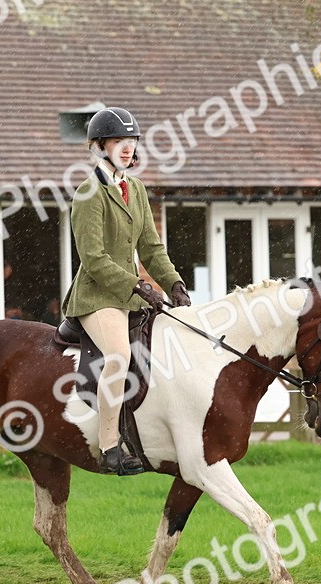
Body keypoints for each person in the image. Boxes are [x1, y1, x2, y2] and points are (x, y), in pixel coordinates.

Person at [62, 106, 192, 476]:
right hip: (97, 295)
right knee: (118, 356)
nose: (127, 148)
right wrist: (137, 284)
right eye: (119, 141)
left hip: (132, 294)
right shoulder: (89, 194)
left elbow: (151, 247)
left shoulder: (135, 189)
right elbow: (94, 259)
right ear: (99, 146)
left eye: (131, 141)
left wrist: (174, 283)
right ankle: (108, 446)